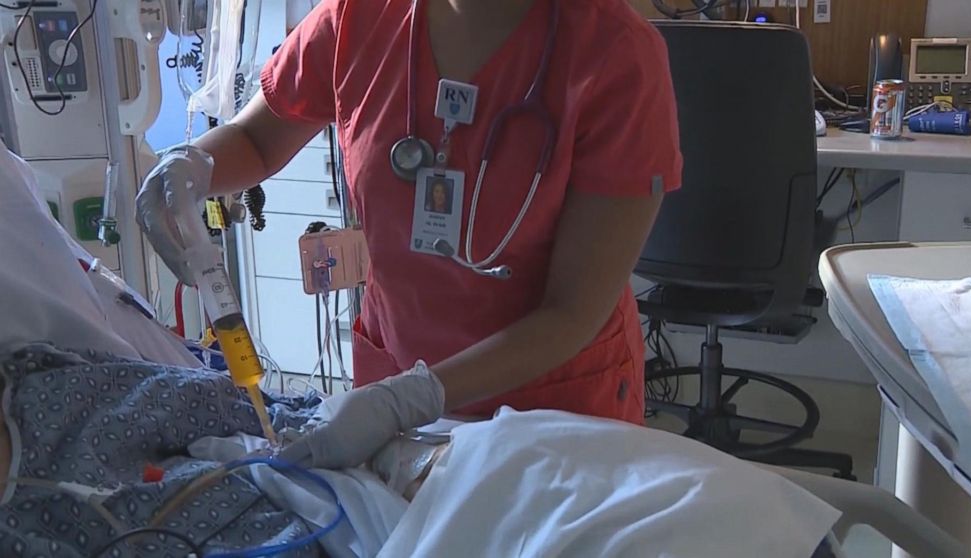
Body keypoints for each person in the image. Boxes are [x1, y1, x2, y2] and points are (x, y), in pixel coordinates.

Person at [137, 0, 682, 470]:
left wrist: (408, 399)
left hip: (549, 407)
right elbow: (257, 138)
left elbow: (572, 313)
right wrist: (192, 165)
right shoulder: (359, 19)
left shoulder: (616, 59)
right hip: (394, 379)